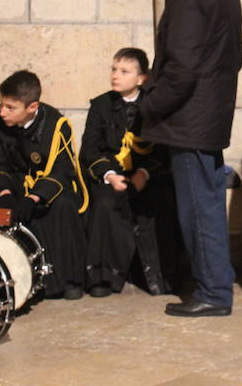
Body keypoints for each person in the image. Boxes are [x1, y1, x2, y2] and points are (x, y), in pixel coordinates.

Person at [140, 0, 242, 317]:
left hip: (190, 121)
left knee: (199, 207)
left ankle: (214, 293)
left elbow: (180, 68)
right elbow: (234, 56)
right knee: (208, 202)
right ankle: (217, 280)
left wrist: (148, 106)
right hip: (205, 117)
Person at [0, 70, 88, 300]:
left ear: (32, 107)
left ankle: (65, 280)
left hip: (43, 188)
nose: (2, 112)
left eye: (10, 107)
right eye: (2, 105)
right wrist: (5, 192)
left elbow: (63, 170)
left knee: (62, 206)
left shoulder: (56, 125)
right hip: (13, 185)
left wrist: (35, 197)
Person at [79, 48, 182, 297]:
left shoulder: (153, 105)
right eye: (114, 69)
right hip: (113, 174)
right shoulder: (101, 106)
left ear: (141, 79)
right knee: (104, 202)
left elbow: (164, 147)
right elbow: (90, 150)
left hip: (148, 175)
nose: (116, 76)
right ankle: (104, 276)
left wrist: (145, 173)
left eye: (124, 71)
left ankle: (160, 274)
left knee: (160, 201)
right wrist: (109, 175)